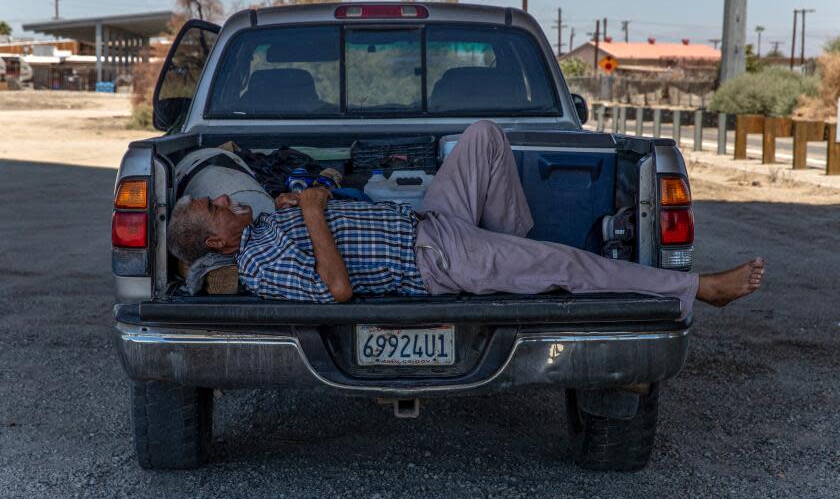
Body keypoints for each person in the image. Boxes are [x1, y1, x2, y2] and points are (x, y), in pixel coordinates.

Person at [167, 121, 764, 318]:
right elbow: (339, 291)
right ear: (218, 239)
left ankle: (510, 258)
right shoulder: (261, 262)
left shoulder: (266, 226)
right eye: (212, 206)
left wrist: (311, 199)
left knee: (482, 138)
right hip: (431, 259)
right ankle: (698, 290)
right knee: (567, 263)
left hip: (428, 223)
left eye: (214, 196)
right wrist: (319, 212)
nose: (222, 198)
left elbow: (321, 214)